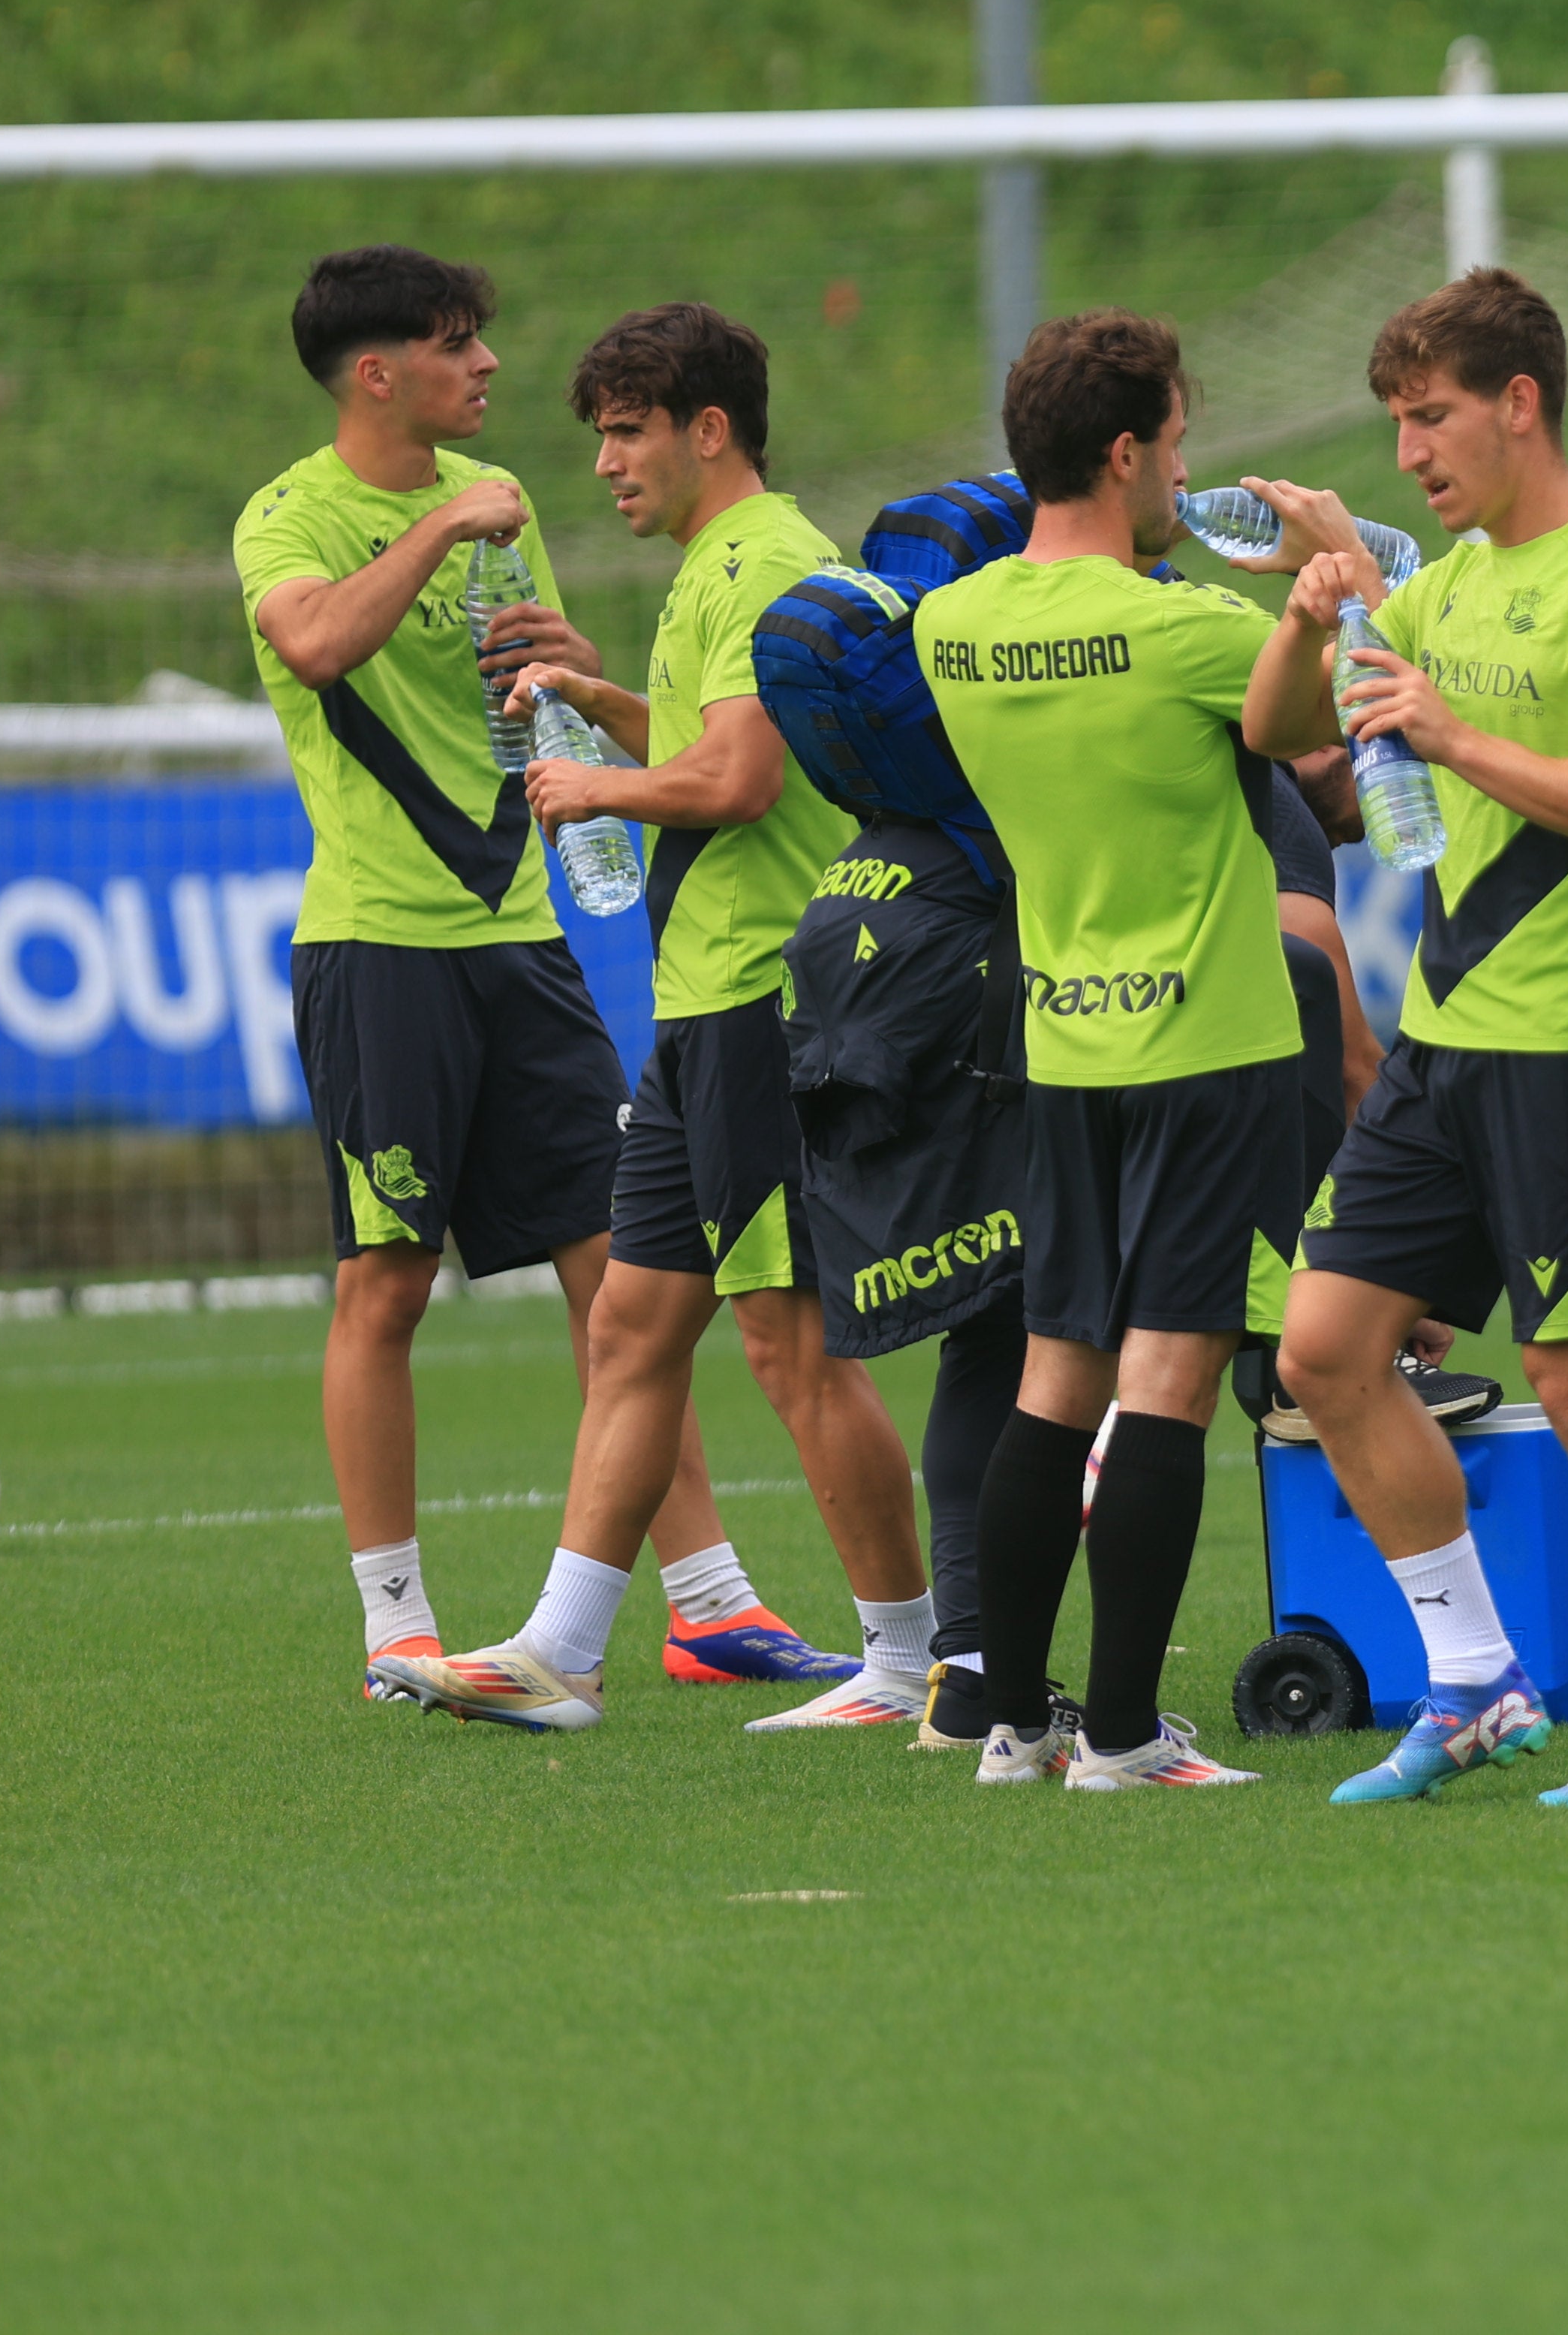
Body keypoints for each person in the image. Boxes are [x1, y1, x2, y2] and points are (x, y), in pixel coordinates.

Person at [236, 246, 817, 1706]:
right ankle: (396, 1619)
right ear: (379, 372)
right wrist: (437, 534)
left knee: (619, 1273)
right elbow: (311, 641)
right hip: (382, 943)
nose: (487, 366)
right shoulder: (295, 514)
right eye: (457, 343)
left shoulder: (498, 512)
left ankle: (709, 1600)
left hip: (525, 938)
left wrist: (570, 668)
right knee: (385, 1278)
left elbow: (528, 702)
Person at [378, 306, 939, 1732]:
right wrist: (605, 704)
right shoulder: (716, 569)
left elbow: (741, 782)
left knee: (787, 1347)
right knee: (632, 1324)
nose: (609, 465)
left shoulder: (766, 565)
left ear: (709, 430)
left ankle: (907, 1657)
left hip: (763, 999)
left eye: (628, 432)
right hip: (700, 1007)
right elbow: (716, 745)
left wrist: (589, 788)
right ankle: (561, 1651)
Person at [1256, 269, 1568, 1812]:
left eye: (1431, 414)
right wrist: (1318, 602)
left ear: (1520, 401)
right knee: (1322, 1349)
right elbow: (1287, 746)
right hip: (1445, 1050)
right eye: (1396, 421)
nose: (1410, 450)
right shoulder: (1439, 589)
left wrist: (1456, 735)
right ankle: (1471, 1681)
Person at [918, 309, 1349, 1792]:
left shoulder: (949, 625)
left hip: (1063, 1037)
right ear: (1124, 449)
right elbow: (1296, 733)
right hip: (1207, 1034)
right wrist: (1314, 591)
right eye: (1176, 437)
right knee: (1164, 1379)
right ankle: (1117, 1737)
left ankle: (1013, 1717)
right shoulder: (1194, 632)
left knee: (1056, 1376)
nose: (1186, 465)